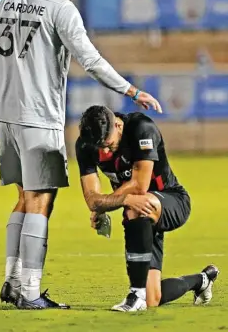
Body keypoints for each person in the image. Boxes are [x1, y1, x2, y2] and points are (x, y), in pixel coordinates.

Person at [0, 0, 162, 310]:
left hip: (5, 118)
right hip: (39, 119)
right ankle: (28, 291)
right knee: (42, 200)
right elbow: (90, 60)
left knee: (24, 199)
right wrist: (131, 91)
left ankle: (11, 282)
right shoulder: (61, 9)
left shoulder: (4, 2)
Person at [76, 105, 219, 311]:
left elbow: (139, 186)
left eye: (108, 144)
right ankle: (202, 280)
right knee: (155, 298)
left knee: (137, 204)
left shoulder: (142, 128)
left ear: (117, 124)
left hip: (172, 200)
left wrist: (105, 205)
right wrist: (100, 206)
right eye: (100, 147)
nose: (105, 151)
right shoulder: (85, 145)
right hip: (143, 214)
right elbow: (92, 199)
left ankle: (136, 295)